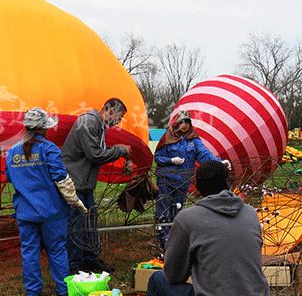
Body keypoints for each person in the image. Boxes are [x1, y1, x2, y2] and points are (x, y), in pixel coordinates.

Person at [147, 160, 269, 296]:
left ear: (197, 187)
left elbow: (173, 275)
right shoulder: (250, 213)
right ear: (228, 183)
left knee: (157, 280)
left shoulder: (188, 218)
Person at [5, 107, 87, 296]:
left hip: (25, 212)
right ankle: (63, 290)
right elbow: (61, 179)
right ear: (44, 129)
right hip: (52, 212)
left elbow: (10, 178)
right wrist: (76, 202)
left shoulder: (12, 153)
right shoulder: (49, 149)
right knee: (57, 251)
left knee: (29, 253)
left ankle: (32, 292)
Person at [61, 98, 131, 273]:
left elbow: (97, 150)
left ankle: (90, 260)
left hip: (85, 184)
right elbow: (95, 154)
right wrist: (120, 150)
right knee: (76, 225)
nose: (118, 122)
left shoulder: (98, 125)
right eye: (119, 117)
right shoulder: (89, 122)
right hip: (75, 184)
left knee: (90, 222)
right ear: (109, 111)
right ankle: (75, 266)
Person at [154, 110, 230, 251]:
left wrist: (219, 162)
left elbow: (205, 155)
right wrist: (171, 160)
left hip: (182, 182)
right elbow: (157, 157)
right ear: (176, 123)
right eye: (181, 122)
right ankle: (164, 245)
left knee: (177, 212)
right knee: (163, 213)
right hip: (165, 180)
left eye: (187, 122)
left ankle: (174, 243)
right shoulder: (167, 138)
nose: (184, 125)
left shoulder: (194, 141)